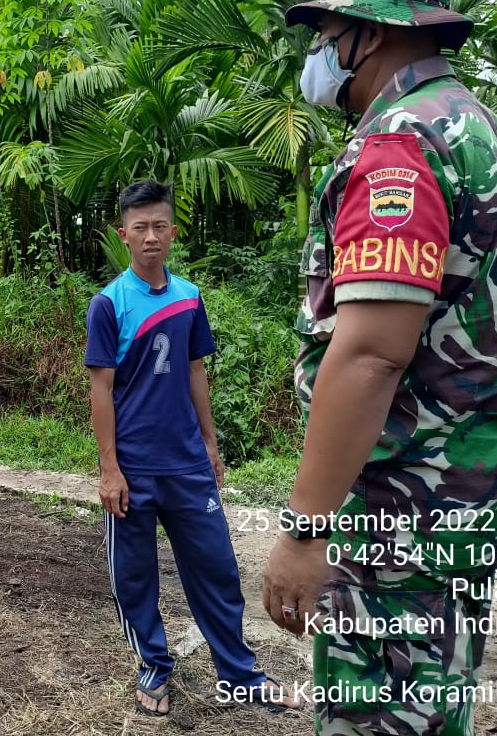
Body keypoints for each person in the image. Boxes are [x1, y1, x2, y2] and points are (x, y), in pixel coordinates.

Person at [263, 0, 497, 736]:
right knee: (432, 702)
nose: (323, 54)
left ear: (374, 33)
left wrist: (305, 527)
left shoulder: (400, 143)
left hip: (401, 510)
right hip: (468, 497)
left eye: (331, 33)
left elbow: (373, 351)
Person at [85, 180, 298, 718]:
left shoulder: (189, 298)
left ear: (173, 232)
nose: (151, 237)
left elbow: (195, 371)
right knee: (134, 575)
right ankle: (153, 666)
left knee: (217, 568)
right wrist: (109, 468)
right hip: (133, 467)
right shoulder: (108, 305)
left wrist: (210, 443)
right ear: (124, 235)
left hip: (186, 463)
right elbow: (101, 389)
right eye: (140, 228)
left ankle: (240, 673)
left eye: (160, 226)